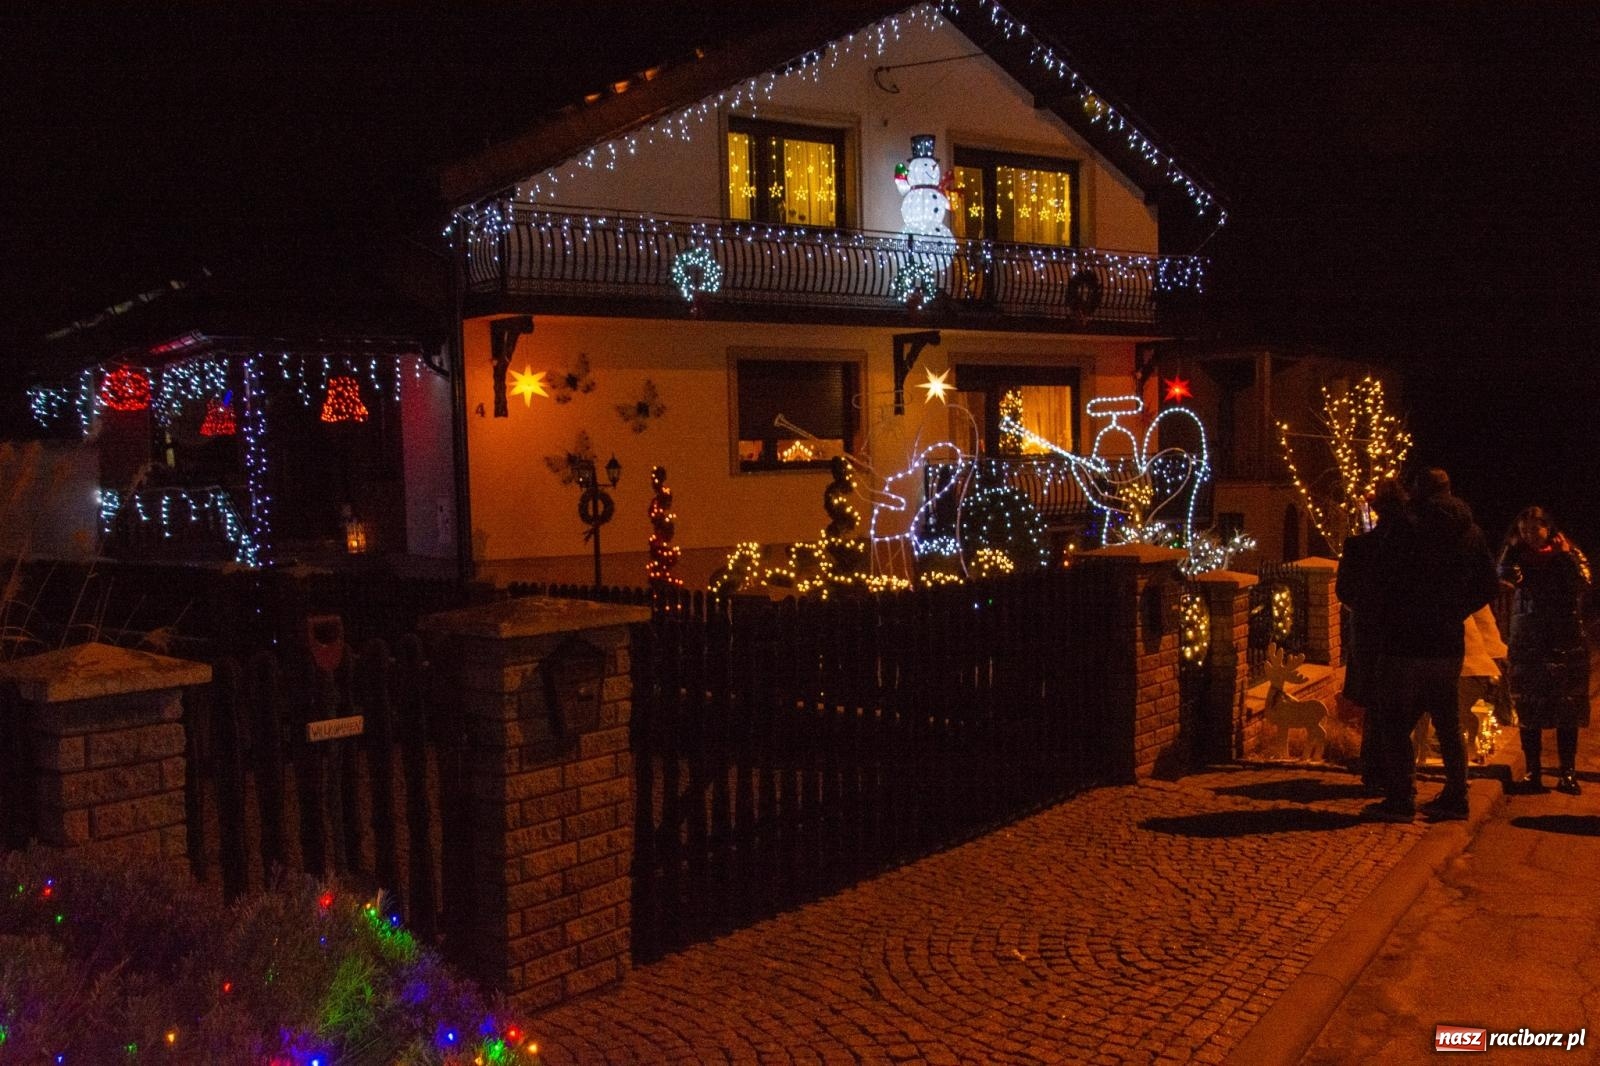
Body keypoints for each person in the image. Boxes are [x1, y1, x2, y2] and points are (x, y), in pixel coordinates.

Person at [1364, 467, 1499, 822]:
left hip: (1403, 640)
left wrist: (1389, 611)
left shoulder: (1405, 527)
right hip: (1446, 642)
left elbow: (1381, 575)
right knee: (1448, 721)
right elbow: (1489, 585)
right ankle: (1456, 795)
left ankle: (1401, 796)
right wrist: (1455, 609)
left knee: (1394, 721)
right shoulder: (1470, 532)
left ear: (1419, 490)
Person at [1499, 506, 1591, 794]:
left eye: (1535, 528)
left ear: (1548, 528)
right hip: (1528, 640)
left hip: (1565, 640)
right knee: (1529, 706)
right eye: (1524, 529)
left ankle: (1567, 772)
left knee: (1567, 707)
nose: (1530, 534)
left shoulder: (1568, 553)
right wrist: (1512, 555)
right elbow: (1504, 579)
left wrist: (1564, 557)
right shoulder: (1514, 555)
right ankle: (1533, 772)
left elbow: (1582, 582)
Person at [1337, 476, 1407, 793]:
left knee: (1376, 706)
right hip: (1399, 635)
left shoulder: (1358, 546)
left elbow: (1344, 591)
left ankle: (1373, 768)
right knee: (1393, 707)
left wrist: (1365, 610)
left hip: (1368, 634)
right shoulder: (1409, 549)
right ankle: (1389, 771)